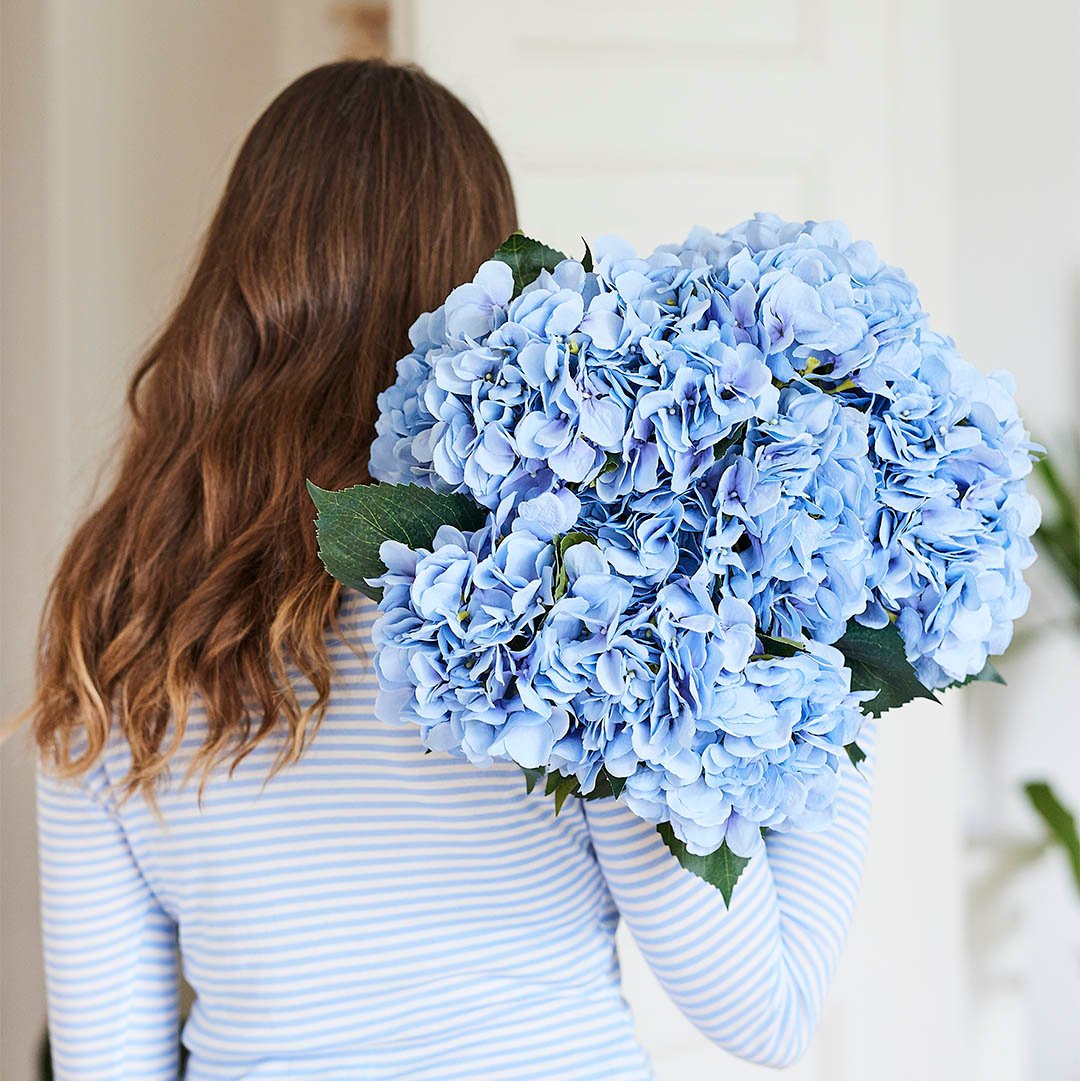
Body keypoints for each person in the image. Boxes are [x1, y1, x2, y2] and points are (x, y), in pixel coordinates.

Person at [31, 59, 876, 1081]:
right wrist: (840, 668)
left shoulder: (117, 610)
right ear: (484, 281)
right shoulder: (573, 588)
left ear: (238, 284)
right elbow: (764, 1016)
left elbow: (102, 1062)